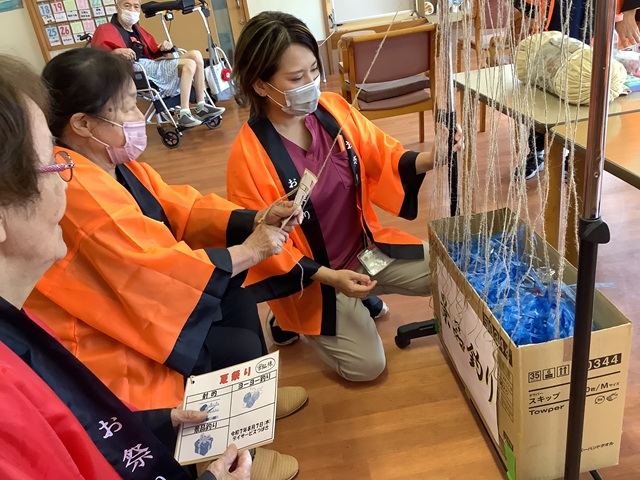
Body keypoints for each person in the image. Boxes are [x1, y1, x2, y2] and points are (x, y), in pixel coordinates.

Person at [26, 47, 302, 480]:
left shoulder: (115, 165)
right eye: (127, 107)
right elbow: (146, 267)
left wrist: (255, 218)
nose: (138, 116)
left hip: (141, 299)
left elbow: (179, 207)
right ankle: (237, 446)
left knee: (237, 292)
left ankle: (253, 402)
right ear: (82, 124)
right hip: (110, 326)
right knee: (238, 341)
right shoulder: (75, 184)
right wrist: (247, 250)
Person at [226, 12, 463, 382]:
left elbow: (382, 155)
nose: (310, 84)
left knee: (453, 274)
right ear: (260, 85)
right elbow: (266, 249)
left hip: (367, 251)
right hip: (316, 280)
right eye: (296, 78)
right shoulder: (247, 157)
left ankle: (363, 293)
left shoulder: (332, 110)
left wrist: (434, 157)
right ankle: (285, 317)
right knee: (367, 367)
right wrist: (334, 279)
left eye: (313, 71)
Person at [514, 0, 639, 180]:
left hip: (600, 8)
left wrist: (629, 9)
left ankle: (574, 160)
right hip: (561, 7)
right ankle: (537, 151)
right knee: (546, 79)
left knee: (589, 88)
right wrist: (529, 9)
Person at [92, 0, 224, 128]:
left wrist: (164, 47)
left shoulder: (138, 30)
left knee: (196, 55)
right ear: (117, 7)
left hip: (149, 64)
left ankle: (201, 105)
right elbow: (97, 59)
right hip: (135, 69)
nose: (132, 10)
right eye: (127, 6)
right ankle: (184, 113)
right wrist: (115, 52)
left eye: (136, 6)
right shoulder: (104, 30)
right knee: (189, 64)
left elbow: (153, 51)